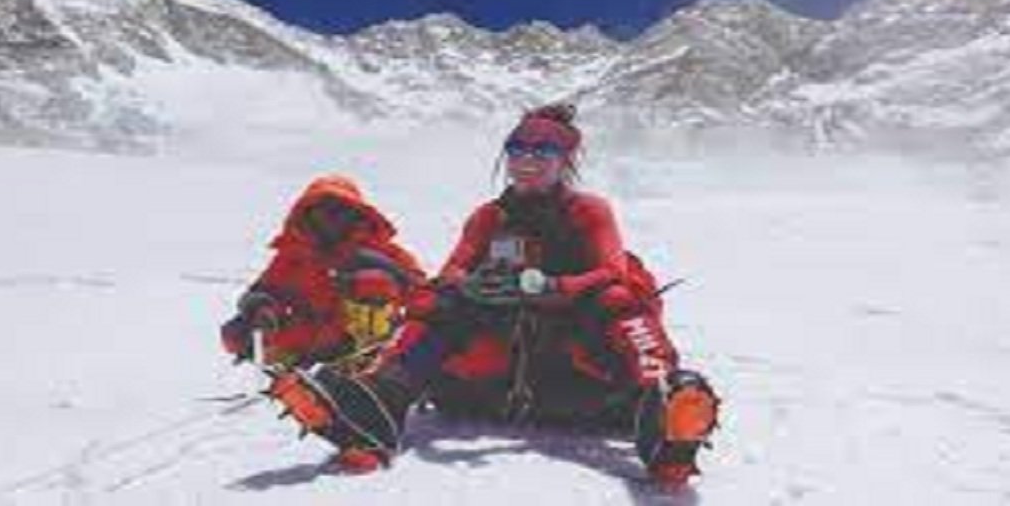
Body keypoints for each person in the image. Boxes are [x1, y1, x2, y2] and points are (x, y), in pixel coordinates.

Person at [265, 106, 721, 486]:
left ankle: (662, 409)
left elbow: (610, 272)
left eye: (543, 151)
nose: (528, 160)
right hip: (494, 380)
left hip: (579, 377)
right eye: (518, 150)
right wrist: (468, 285)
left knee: (617, 298)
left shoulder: (588, 211)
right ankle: (373, 407)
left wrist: (554, 288)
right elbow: (450, 273)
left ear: (565, 159)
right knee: (436, 301)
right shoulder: (488, 217)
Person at [220, 175, 424, 374]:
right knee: (239, 329)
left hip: (365, 343)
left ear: (356, 214)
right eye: (322, 210)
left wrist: (379, 272)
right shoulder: (293, 255)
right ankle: (287, 370)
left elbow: (419, 291)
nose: (330, 218)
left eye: (339, 210)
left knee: (373, 283)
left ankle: (364, 366)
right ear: (307, 214)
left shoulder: (382, 251)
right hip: (311, 342)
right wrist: (262, 308)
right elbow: (264, 289)